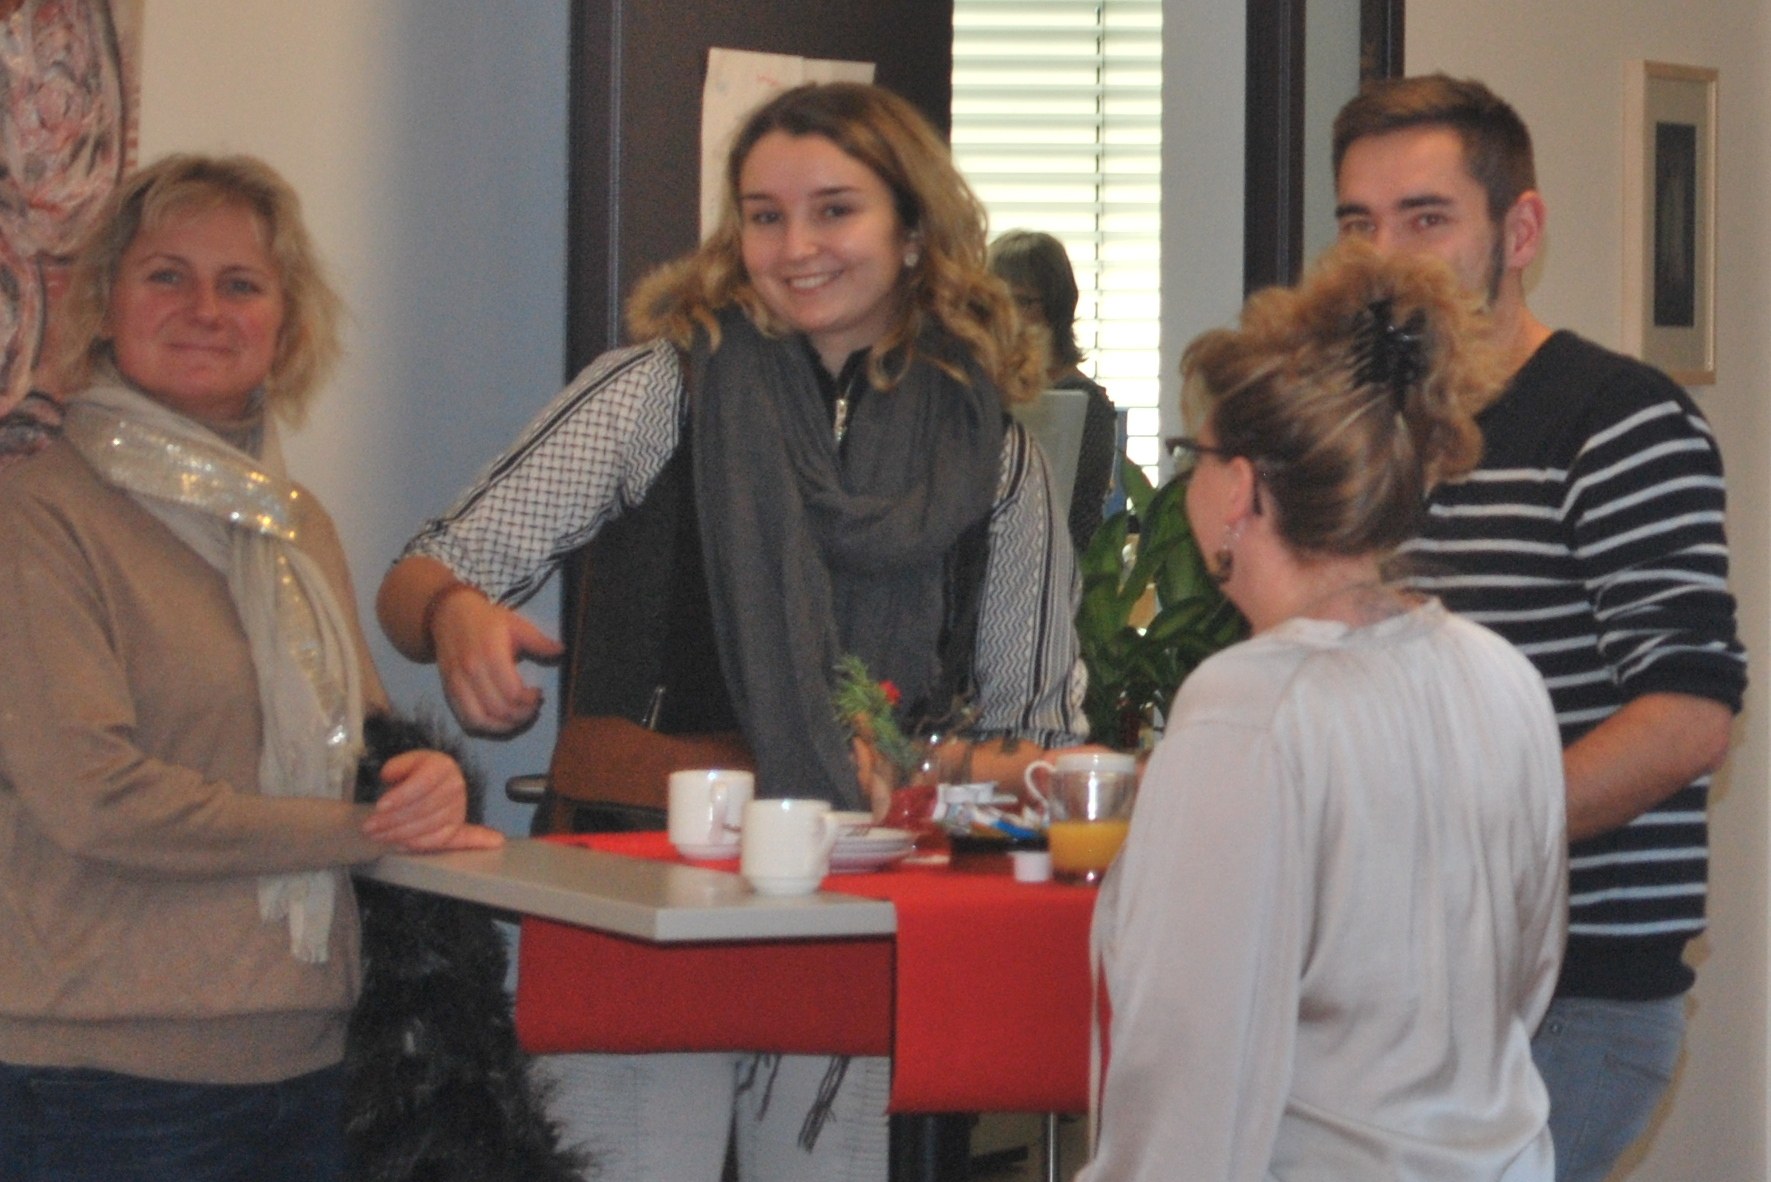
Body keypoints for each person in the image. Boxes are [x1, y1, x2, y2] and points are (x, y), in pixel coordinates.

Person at [377, 82, 1088, 1181]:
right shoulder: (657, 390)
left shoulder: (993, 454)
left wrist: (926, 775)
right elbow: (422, 572)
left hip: (861, 911)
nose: (795, 247)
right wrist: (453, 613)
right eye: (764, 215)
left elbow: (1035, 741)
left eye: (833, 210)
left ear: (912, 232)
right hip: (639, 896)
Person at [0, 153, 503, 1182]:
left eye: (240, 284)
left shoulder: (291, 524)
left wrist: (425, 782)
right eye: (166, 276)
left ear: (286, 323)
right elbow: (94, 799)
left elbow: (363, 753)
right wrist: (359, 829)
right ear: (104, 305)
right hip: (101, 1080)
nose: (205, 309)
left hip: (312, 1061)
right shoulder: (37, 517)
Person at [1332, 75, 1748, 1181]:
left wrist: (1457, 843)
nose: (1385, 259)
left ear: (1518, 233)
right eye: (1358, 226)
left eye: (1425, 219)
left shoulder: (1615, 420)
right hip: (1404, 986)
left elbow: (1687, 718)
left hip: (1572, 996)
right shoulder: (1371, 438)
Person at [1078, 242, 1567, 1181]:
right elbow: (1523, 983)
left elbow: (1185, 1076)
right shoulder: (1501, 677)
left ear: (1241, 488)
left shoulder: (1246, 713)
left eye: (1192, 457)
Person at [988, 229, 1118, 552]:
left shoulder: (1084, 402)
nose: (1007, 315)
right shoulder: (979, 393)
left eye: (1022, 301)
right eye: (996, 301)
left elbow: (1064, 514)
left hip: (1058, 568)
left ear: (1056, 308)